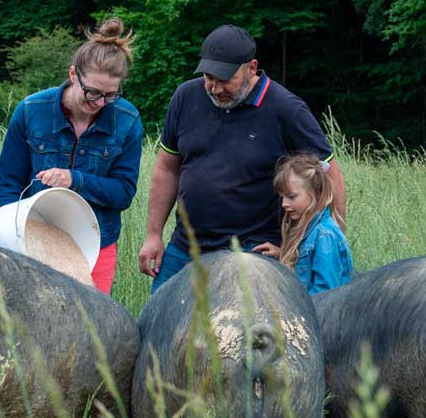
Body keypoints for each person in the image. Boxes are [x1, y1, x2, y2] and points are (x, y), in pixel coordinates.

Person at [137, 24, 347, 292]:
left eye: (225, 79)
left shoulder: (286, 108)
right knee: (156, 322)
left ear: (251, 68)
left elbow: (329, 172)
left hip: (253, 251)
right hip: (185, 247)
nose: (214, 88)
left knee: (244, 331)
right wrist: (154, 234)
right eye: (208, 78)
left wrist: (325, 241)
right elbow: (167, 169)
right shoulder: (185, 97)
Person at [0, 18, 142, 295]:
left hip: (97, 243)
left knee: (92, 330)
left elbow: (123, 193)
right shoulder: (30, 110)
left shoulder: (127, 120)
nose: (100, 103)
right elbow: (10, 183)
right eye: (92, 93)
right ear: (74, 74)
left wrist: (75, 179)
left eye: (111, 95)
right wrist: (16, 236)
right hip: (33, 240)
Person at [273, 154, 352, 293]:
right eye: (282, 197)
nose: (284, 204)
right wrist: (280, 254)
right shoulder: (308, 229)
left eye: (291, 197)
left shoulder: (324, 235)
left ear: (317, 193)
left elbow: (326, 294)